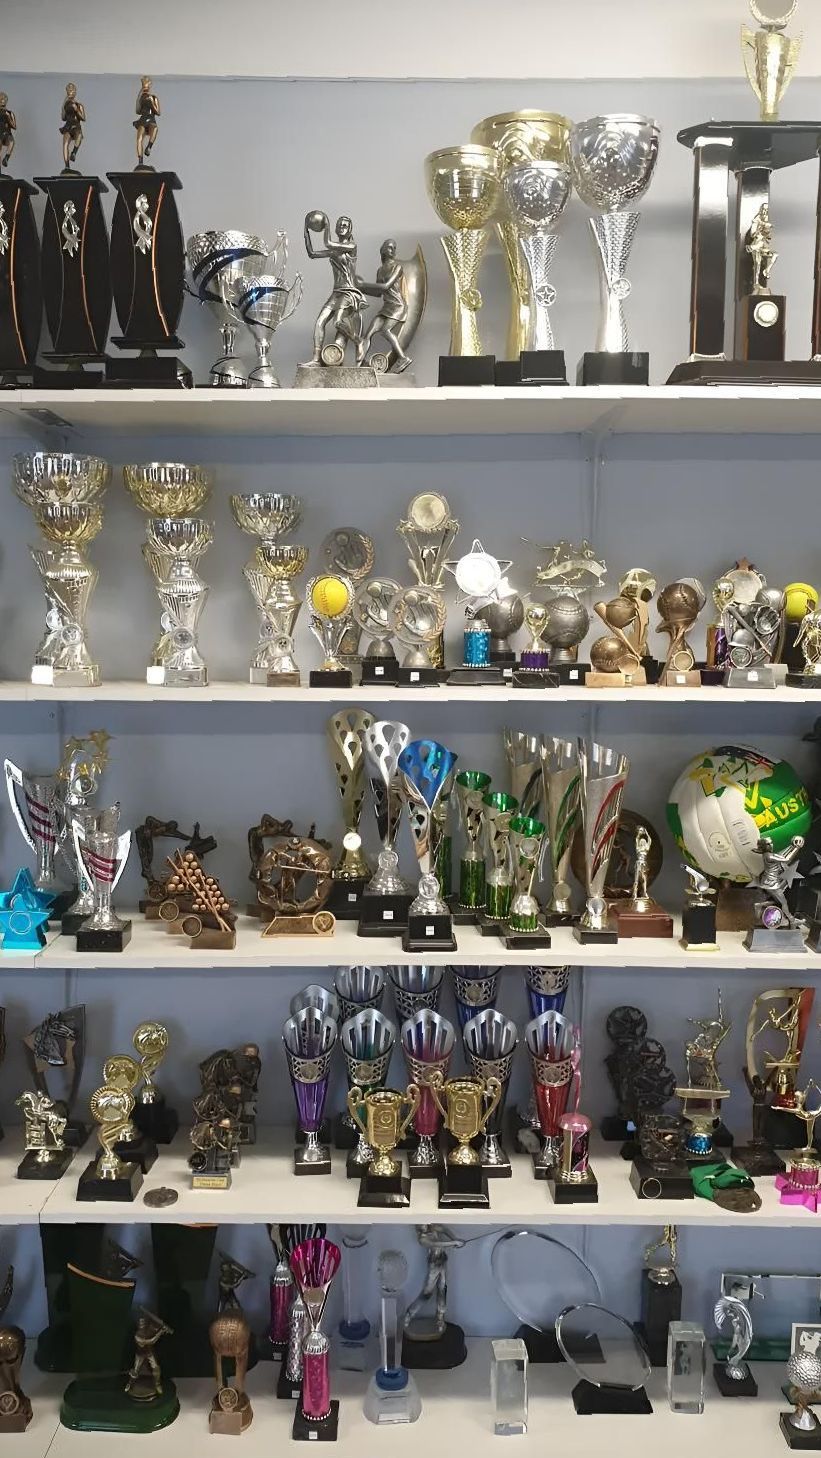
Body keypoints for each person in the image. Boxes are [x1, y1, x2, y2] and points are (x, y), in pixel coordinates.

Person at [304, 212, 366, 365]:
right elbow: (312, 254)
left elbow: (328, 243)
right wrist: (306, 232)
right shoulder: (334, 251)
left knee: (337, 322)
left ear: (350, 230)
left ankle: (359, 342)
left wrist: (326, 225)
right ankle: (316, 359)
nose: (341, 227)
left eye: (344, 225)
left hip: (349, 292)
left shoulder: (351, 246)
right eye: (339, 225)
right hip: (336, 292)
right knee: (320, 322)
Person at [358, 239, 411, 371]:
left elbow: (385, 286)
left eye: (394, 248)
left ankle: (403, 358)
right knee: (367, 334)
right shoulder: (380, 270)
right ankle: (360, 363)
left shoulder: (397, 267)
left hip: (397, 306)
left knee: (385, 330)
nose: (392, 250)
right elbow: (378, 293)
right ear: (382, 250)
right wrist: (360, 289)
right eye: (389, 247)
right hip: (386, 306)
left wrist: (363, 285)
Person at [134, 77, 160, 166]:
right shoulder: (141, 98)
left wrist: (152, 103)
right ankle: (140, 160)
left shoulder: (153, 97)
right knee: (139, 139)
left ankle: (149, 147)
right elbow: (137, 111)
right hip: (143, 119)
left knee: (155, 129)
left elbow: (158, 112)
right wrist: (138, 97)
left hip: (151, 119)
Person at [60, 82, 85, 171]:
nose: (71, 92)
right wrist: (63, 107)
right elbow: (63, 118)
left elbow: (83, 118)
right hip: (68, 126)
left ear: (75, 92)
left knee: (79, 136)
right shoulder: (66, 105)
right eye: (69, 90)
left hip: (76, 126)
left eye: (72, 90)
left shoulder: (79, 105)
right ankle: (67, 166)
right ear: (67, 91)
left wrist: (77, 110)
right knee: (65, 144)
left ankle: (74, 152)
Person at [0, 96, 16, 170]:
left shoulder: (9, 113)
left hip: (7, 134)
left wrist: (9, 117)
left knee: (11, 142)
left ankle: (6, 158)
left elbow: (14, 126)